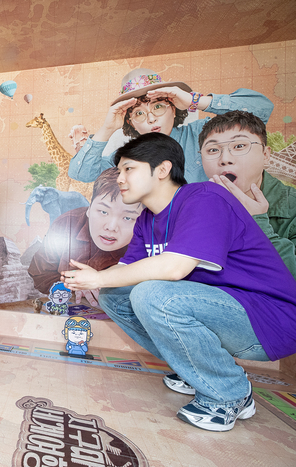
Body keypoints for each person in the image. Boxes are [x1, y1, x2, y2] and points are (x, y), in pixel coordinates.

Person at [62, 132, 296, 432]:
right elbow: (125, 272)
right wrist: (96, 280)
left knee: (154, 294)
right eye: (119, 171)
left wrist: (99, 276)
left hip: (271, 320)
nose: (120, 178)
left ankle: (230, 393)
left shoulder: (204, 197)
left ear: (162, 169)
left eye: (128, 169)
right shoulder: (147, 219)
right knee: (114, 293)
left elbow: (174, 268)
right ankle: (195, 371)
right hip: (225, 312)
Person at [68, 68, 274, 184]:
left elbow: (262, 110)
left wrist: (194, 100)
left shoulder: (204, 133)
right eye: (139, 113)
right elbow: (82, 174)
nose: (151, 119)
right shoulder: (125, 158)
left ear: (174, 108)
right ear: (130, 122)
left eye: (158, 107)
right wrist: (107, 129)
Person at [198, 110, 296, 279]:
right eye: (213, 149)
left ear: (265, 155)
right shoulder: (192, 204)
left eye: (239, 146)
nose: (225, 159)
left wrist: (255, 222)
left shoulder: (292, 207)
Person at [28, 167, 142, 306]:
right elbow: (40, 274)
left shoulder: (150, 241)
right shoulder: (65, 225)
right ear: (89, 208)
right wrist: (74, 286)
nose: (111, 227)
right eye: (103, 212)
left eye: (128, 218)